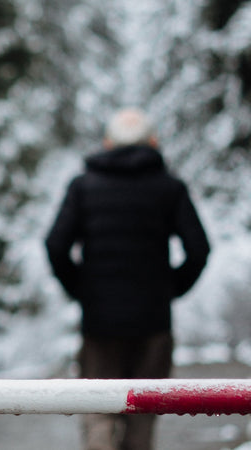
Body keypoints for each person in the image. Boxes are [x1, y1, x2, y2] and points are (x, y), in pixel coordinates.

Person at [45, 108, 210, 450]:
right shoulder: (170, 187)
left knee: (97, 410)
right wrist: (170, 289)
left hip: (99, 323)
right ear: (153, 142)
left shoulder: (83, 187)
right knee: (143, 413)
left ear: (107, 143)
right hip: (153, 322)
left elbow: (56, 245)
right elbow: (199, 249)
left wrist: (81, 290)